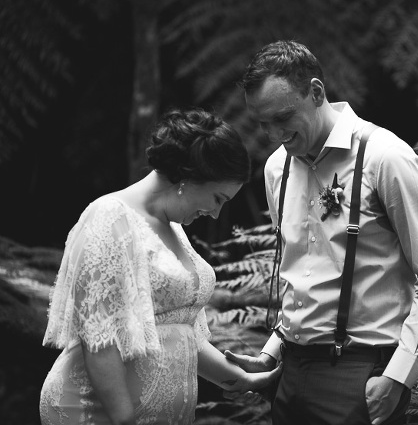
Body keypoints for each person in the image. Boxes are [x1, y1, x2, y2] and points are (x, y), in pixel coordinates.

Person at [224, 40, 418, 425]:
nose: (273, 134)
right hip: (289, 373)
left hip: (361, 374)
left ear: (316, 92)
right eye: (262, 123)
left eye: (283, 118)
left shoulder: (386, 158)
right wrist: (271, 352)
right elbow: (301, 274)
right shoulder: (275, 169)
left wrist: (398, 377)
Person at [39, 107, 282, 425]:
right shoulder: (108, 218)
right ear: (189, 177)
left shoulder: (176, 229)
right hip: (95, 412)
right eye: (218, 198)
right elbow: (98, 338)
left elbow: (184, 335)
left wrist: (240, 377)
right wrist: (124, 419)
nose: (215, 213)